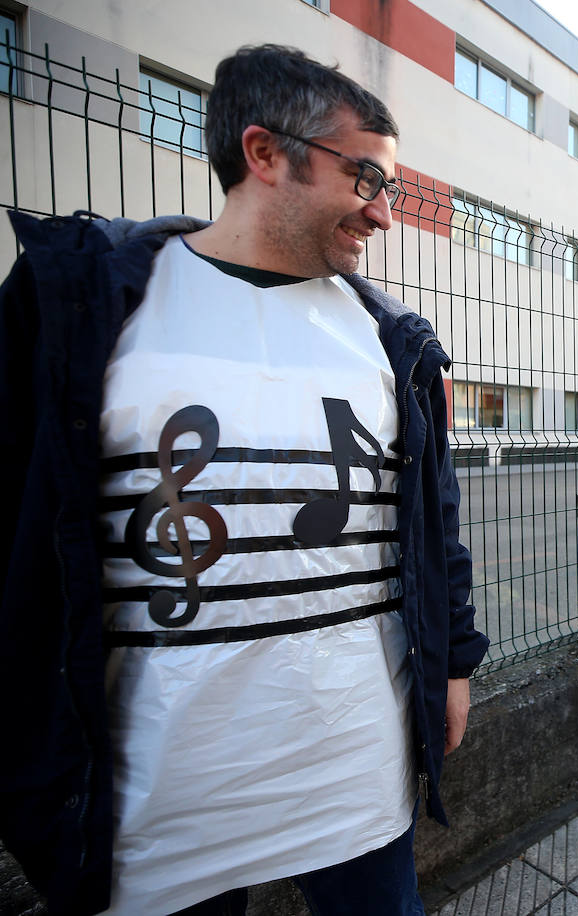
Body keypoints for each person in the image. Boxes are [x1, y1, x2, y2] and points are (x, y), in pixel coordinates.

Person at [0, 45, 489, 916]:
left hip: (357, 775)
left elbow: (432, 523)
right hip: (163, 800)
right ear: (265, 153)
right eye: (366, 179)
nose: (382, 215)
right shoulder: (81, 300)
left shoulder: (394, 342)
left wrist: (453, 665)